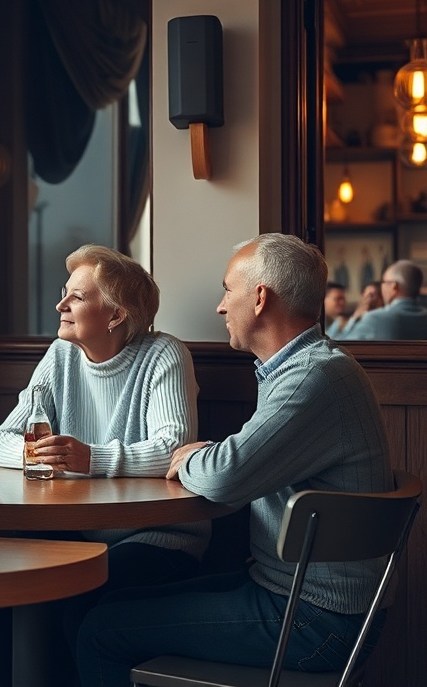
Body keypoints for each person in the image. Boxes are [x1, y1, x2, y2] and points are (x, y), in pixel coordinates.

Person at [76, 233, 392, 686]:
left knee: (101, 631)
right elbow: (238, 463)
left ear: (260, 298)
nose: (221, 307)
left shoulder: (313, 377)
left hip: (313, 621)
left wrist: (194, 456)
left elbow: (225, 477)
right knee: (109, 603)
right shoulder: (305, 369)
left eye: (228, 290)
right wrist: (211, 455)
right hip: (303, 601)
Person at [0, 244, 206, 683]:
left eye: (77, 298)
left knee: (78, 604)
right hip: (78, 530)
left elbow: (173, 448)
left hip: (158, 536)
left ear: (116, 314)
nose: (60, 304)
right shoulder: (61, 356)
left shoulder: (164, 354)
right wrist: (41, 456)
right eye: (65, 294)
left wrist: (89, 458)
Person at [343, 259, 427, 340]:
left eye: (383, 282)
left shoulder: (375, 318)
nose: (381, 286)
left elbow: (341, 348)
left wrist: (354, 317)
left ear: (394, 287)